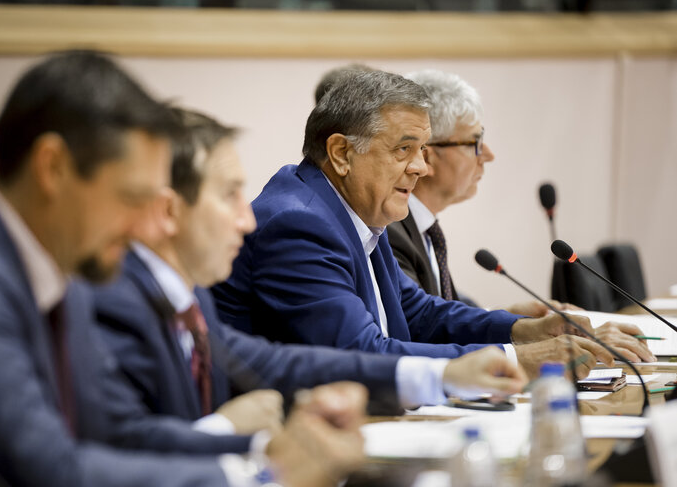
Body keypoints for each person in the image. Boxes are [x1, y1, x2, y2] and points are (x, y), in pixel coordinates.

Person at [0, 50, 368, 487]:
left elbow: (117, 438)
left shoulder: (66, 271)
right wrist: (259, 476)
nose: (143, 227)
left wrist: (276, 449)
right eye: (130, 199)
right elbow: (43, 468)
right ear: (53, 168)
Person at [92, 107, 528, 436]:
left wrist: (459, 366)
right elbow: (107, 456)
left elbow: (277, 363)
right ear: (169, 209)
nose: (246, 221)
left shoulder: (186, 293)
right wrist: (232, 435)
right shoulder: (114, 303)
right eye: (229, 195)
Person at [213, 69, 616, 379]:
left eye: (423, 150)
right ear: (340, 153)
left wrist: (524, 331)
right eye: (404, 149)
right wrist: (517, 360)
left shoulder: (354, 209)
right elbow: (363, 354)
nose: (421, 167)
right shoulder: (298, 224)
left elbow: (417, 312)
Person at [387, 69, 654, 363]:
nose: (488, 154)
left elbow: (440, 309)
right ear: (428, 156)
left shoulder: (421, 228)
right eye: (474, 142)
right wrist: (526, 349)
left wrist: (513, 321)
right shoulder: (390, 232)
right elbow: (419, 331)